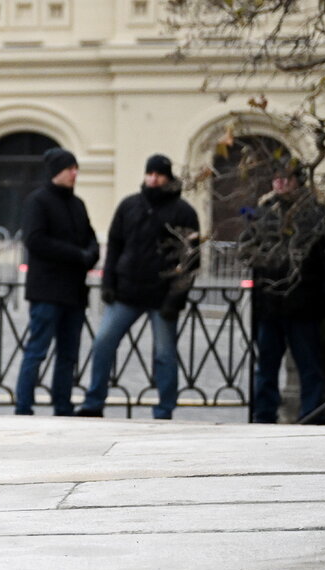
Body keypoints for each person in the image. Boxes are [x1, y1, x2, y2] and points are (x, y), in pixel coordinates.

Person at [76, 154, 199, 419]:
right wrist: (108, 282)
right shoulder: (129, 205)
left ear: (168, 177)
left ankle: (165, 409)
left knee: (165, 355)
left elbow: (190, 260)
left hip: (163, 295)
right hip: (126, 291)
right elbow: (115, 245)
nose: (153, 178)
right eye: (150, 173)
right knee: (103, 343)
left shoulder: (184, 211)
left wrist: (175, 300)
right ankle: (94, 402)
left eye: (159, 174)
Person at [239, 159, 325, 423]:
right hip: (270, 305)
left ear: (298, 180)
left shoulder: (316, 214)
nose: (280, 182)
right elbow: (246, 249)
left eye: (286, 177)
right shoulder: (264, 212)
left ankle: (311, 416)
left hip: (304, 305)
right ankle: (263, 417)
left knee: (309, 368)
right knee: (266, 368)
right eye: (276, 177)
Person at [14, 147, 100, 416]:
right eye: (69, 168)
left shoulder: (78, 204)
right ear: (56, 172)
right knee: (37, 351)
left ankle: (63, 405)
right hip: (47, 291)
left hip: (74, 292)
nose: (75, 173)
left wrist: (91, 254)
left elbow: (90, 237)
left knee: (68, 354)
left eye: (76, 168)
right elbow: (36, 240)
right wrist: (78, 255)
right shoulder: (38, 201)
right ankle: (23, 406)